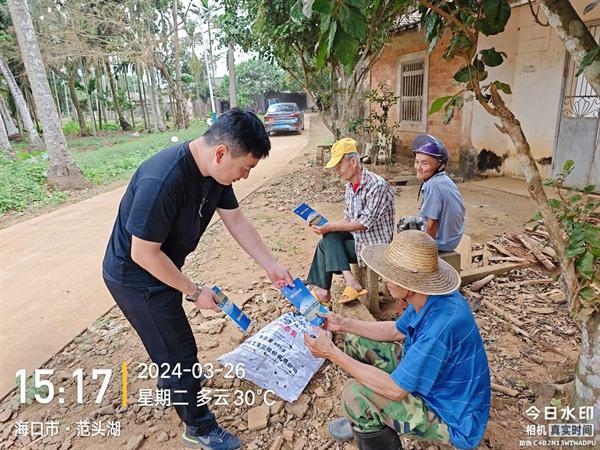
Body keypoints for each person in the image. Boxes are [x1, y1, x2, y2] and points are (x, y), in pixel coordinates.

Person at [102, 108, 293, 450]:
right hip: (135, 278)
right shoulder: (163, 180)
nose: (245, 177)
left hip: (163, 265)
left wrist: (271, 265)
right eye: (245, 168)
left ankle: (172, 378)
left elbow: (237, 222)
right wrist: (194, 292)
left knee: (168, 340)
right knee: (181, 352)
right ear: (221, 153)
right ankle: (199, 429)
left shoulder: (216, 174)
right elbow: (143, 254)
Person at [304, 230, 491, 450]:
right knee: (356, 341)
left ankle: (366, 413)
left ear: (410, 284)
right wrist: (344, 324)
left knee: (354, 395)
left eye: (391, 275)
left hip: (451, 417)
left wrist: (331, 353)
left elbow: (395, 390)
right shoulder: (428, 298)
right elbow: (395, 330)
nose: (385, 278)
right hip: (437, 384)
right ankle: (367, 419)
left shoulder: (439, 327)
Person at [306, 137, 394, 304]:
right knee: (330, 236)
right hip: (358, 239)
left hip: (374, 246)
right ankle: (347, 282)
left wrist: (330, 227)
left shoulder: (377, 186)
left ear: (353, 161)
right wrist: (327, 226)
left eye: (339, 165)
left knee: (327, 240)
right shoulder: (349, 187)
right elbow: (348, 219)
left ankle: (327, 290)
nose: (337, 170)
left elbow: (363, 223)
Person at [397, 134, 465, 252]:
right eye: (417, 162)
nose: (419, 167)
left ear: (439, 165)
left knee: (403, 231)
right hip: (452, 237)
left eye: (425, 163)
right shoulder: (442, 179)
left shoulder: (433, 185)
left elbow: (431, 224)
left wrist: (427, 251)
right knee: (406, 221)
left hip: (443, 242)